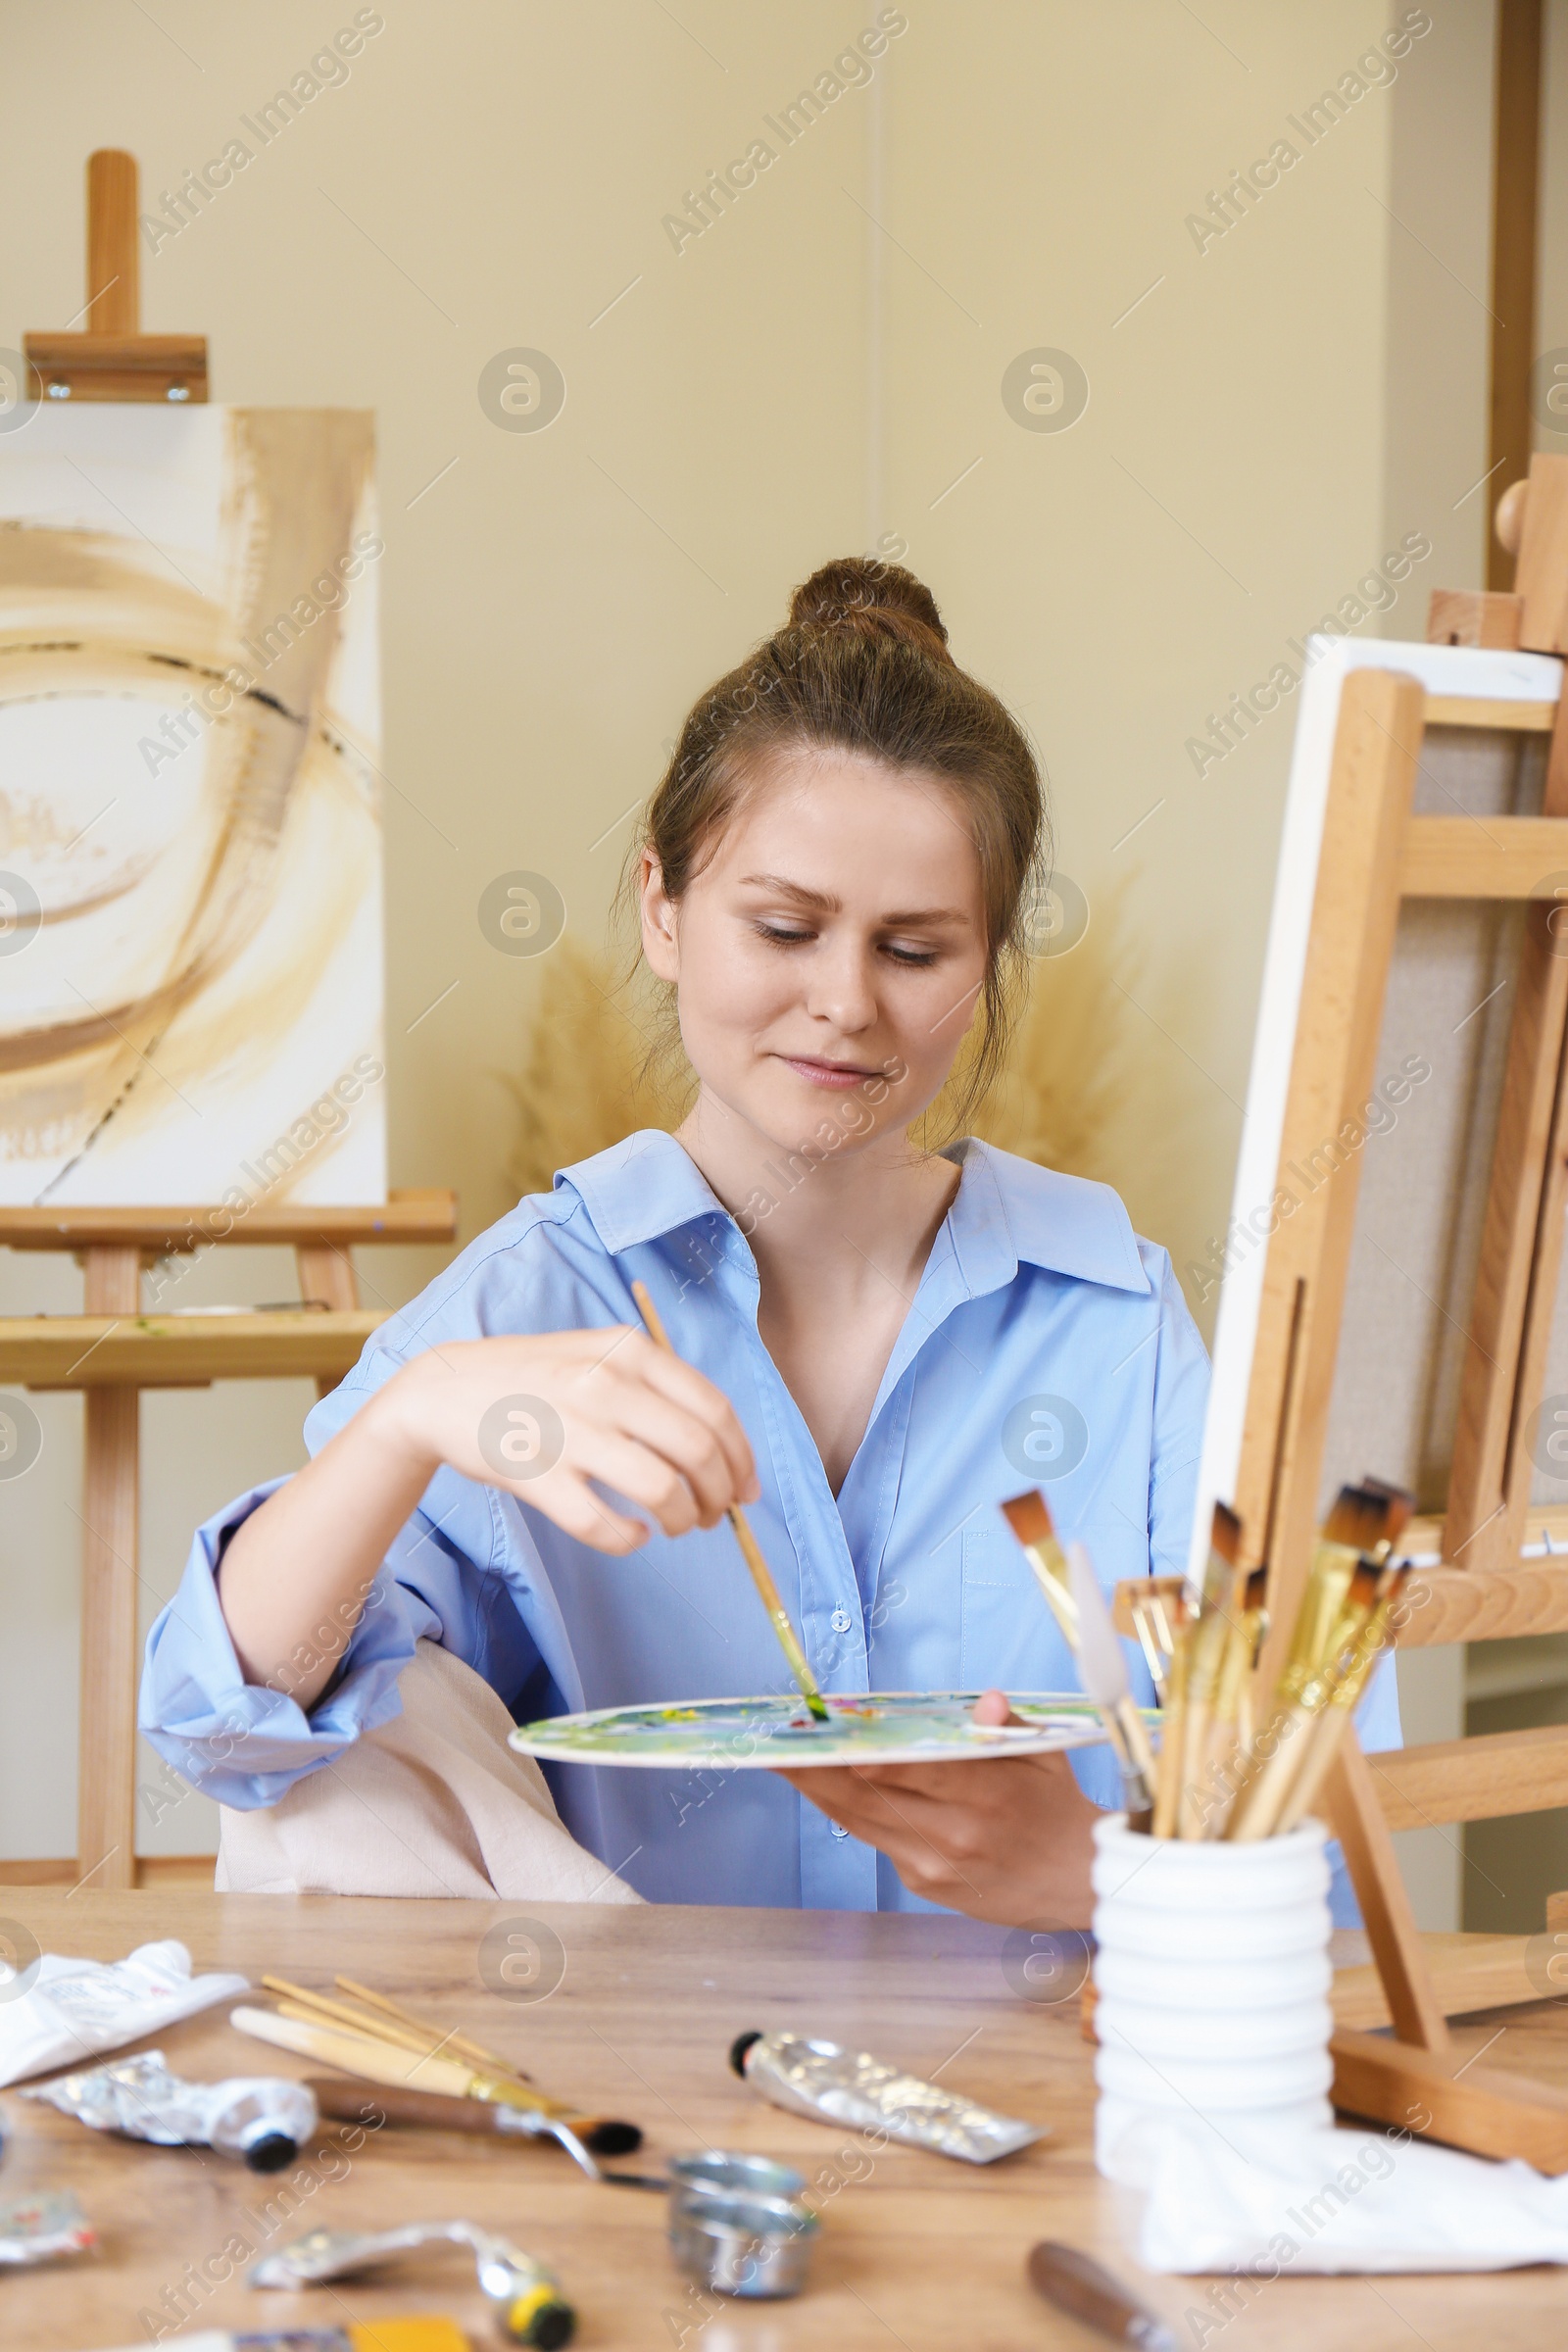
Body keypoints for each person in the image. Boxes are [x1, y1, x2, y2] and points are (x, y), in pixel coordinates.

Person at [141, 557, 1387, 1922]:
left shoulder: (1121, 1323)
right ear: (662, 911)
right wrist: (409, 1416)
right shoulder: (534, 1298)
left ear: (986, 967)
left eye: (915, 952)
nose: (844, 1002)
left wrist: (1095, 1875)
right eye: (785, 928)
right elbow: (228, 1724)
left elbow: (1335, 1827)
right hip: (659, 2112)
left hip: (1055, 2108)